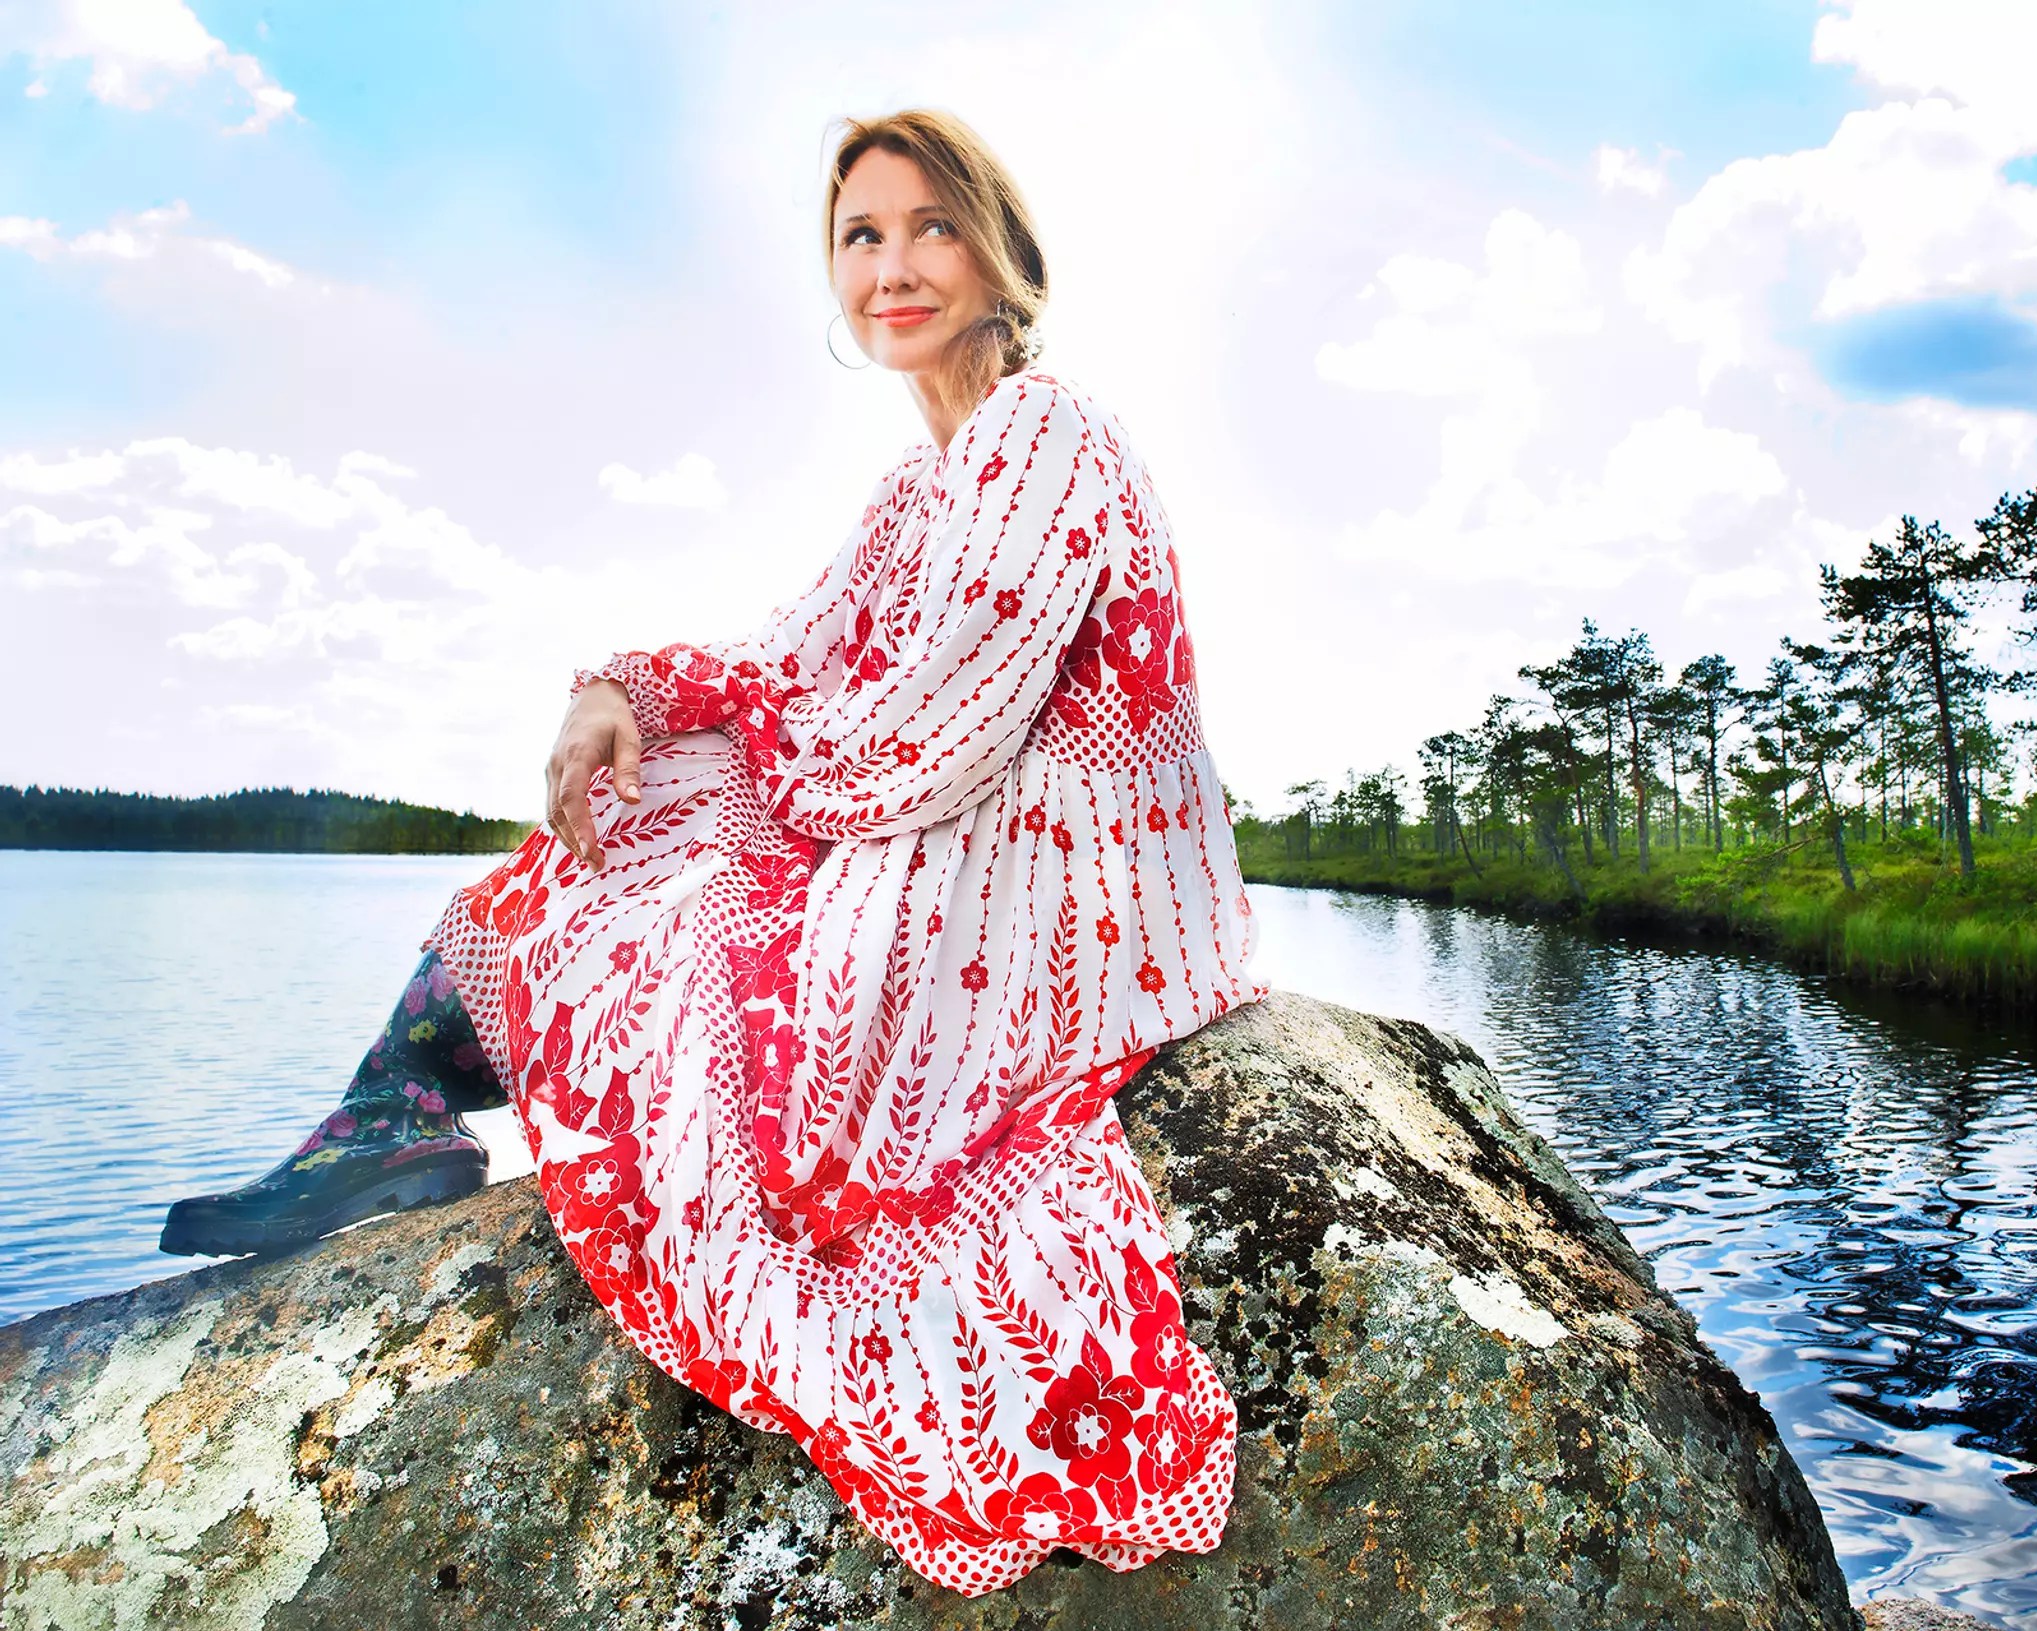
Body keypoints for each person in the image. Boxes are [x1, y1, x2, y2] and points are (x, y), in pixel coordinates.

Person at [159, 107, 1265, 1598]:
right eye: (861, 236)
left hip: (1062, 870)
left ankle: (399, 1107)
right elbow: (791, 659)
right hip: (953, 826)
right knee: (666, 789)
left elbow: (937, 724)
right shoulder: (915, 488)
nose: (892, 266)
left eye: (931, 226)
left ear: (1000, 252)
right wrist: (623, 688)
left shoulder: (1045, 429)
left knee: (701, 891)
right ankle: (393, 1114)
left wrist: (734, 789)